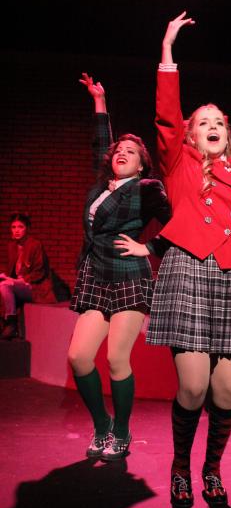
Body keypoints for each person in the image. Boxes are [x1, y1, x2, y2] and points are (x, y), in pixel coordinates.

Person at [118, 12, 231, 508]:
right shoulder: (179, 163)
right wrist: (167, 49)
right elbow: (166, 114)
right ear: (189, 135)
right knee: (193, 389)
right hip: (185, 275)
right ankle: (180, 465)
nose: (211, 126)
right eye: (201, 122)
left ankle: (212, 469)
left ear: (228, 132)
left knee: (226, 393)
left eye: (218, 122)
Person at [68, 73, 171, 462]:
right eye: (119, 149)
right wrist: (99, 100)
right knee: (79, 357)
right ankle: (102, 426)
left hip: (129, 276)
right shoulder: (100, 187)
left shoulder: (147, 189)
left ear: (143, 163)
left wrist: (151, 248)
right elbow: (100, 141)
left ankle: (123, 432)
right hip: (95, 275)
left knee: (115, 358)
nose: (122, 152)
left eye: (131, 150)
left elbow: (176, 221)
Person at [0, 213, 56, 340]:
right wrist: (8, 278)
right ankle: (9, 321)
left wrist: (20, 281)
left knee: (4, 286)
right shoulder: (12, 246)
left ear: (27, 228)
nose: (17, 230)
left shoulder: (35, 244)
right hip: (18, 285)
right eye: (13, 227)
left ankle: (11, 323)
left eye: (20, 227)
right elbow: (12, 271)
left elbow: (39, 272)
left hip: (34, 287)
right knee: (3, 284)